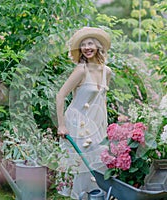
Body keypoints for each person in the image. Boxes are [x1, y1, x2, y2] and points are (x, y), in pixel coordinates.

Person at [56, 27, 112, 199]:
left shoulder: (106, 71)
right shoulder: (81, 70)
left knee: (99, 160)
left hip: (97, 122)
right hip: (77, 121)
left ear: (97, 46)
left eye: (90, 44)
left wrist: (106, 125)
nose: (87, 48)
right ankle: (80, 195)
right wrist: (62, 125)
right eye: (83, 45)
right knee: (82, 163)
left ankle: (96, 195)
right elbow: (60, 95)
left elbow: (103, 100)